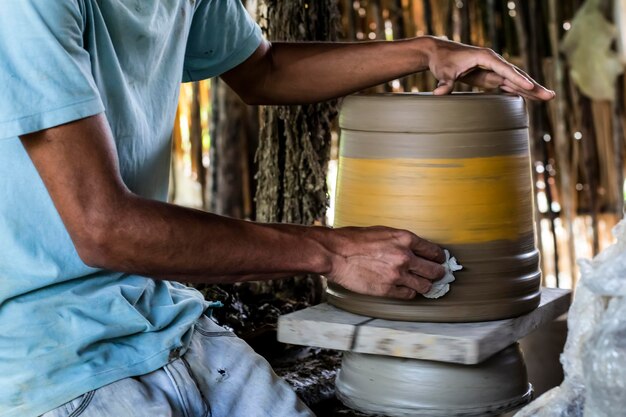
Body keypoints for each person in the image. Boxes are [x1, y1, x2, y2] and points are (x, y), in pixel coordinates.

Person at [0, 1, 554, 416]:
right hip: (45, 352)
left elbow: (261, 70)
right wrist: (331, 251)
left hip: (160, 317)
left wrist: (426, 51)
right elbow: (104, 228)